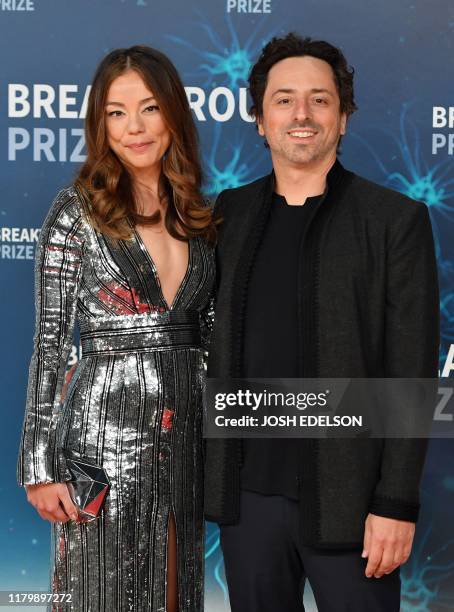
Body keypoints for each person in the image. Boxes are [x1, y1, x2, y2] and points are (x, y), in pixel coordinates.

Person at [204, 33, 439, 611]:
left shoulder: (394, 221)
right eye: (283, 100)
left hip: (355, 506)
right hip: (248, 501)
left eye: (319, 99)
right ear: (259, 119)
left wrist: (396, 504)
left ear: (344, 118)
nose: (301, 114)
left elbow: (414, 374)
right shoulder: (225, 216)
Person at [17, 45, 215, 612]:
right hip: (100, 440)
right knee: (100, 592)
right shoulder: (76, 210)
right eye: (116, 112)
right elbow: (51, 344)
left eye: (149, 108)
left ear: (173, 113)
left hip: (184, 440)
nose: (134, 128)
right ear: (100, 124)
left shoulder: (198, 214)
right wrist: (40, 466)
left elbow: (211, 338)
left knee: (176, 592)